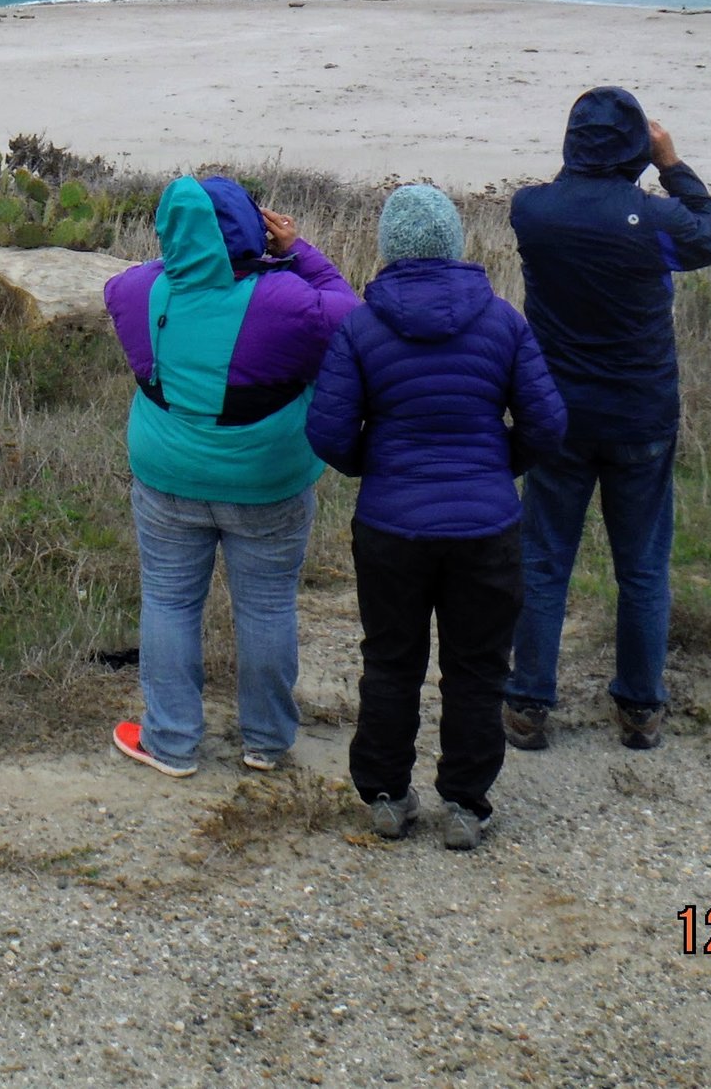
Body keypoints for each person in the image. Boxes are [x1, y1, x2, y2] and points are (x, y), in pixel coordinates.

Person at [308, 185, 565, 851]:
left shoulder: (361, 327)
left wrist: (380, 462)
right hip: (485, 526)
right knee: (478, 667)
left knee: (391, 660)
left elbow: (328, 431)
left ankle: (387, 795)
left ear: (388, 247)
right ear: (455, 243)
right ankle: (465, 803)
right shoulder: (504, 321)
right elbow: (547, 422)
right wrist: (496, 462)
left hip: (391, 526)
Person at [101, 176, 360, 778]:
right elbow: (349, 315)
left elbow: (130, 276)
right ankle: (266, 743)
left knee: (168, 603)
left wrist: (180, 247)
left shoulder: (137, 292)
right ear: (249, 228)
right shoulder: (286, 300)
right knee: (267, 609)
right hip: (267, 481)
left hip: (167, 477)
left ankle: (171, 742)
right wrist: (297, 250)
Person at [504, 89, 711, 754]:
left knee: (545, 559)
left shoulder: (532, 211)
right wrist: (670, 163)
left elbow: (565, 198)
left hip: (559, 414)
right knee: (641, 565)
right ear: (634, 147)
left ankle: (527, 702)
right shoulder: (654, 219)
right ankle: (638, 707)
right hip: (641, 412)